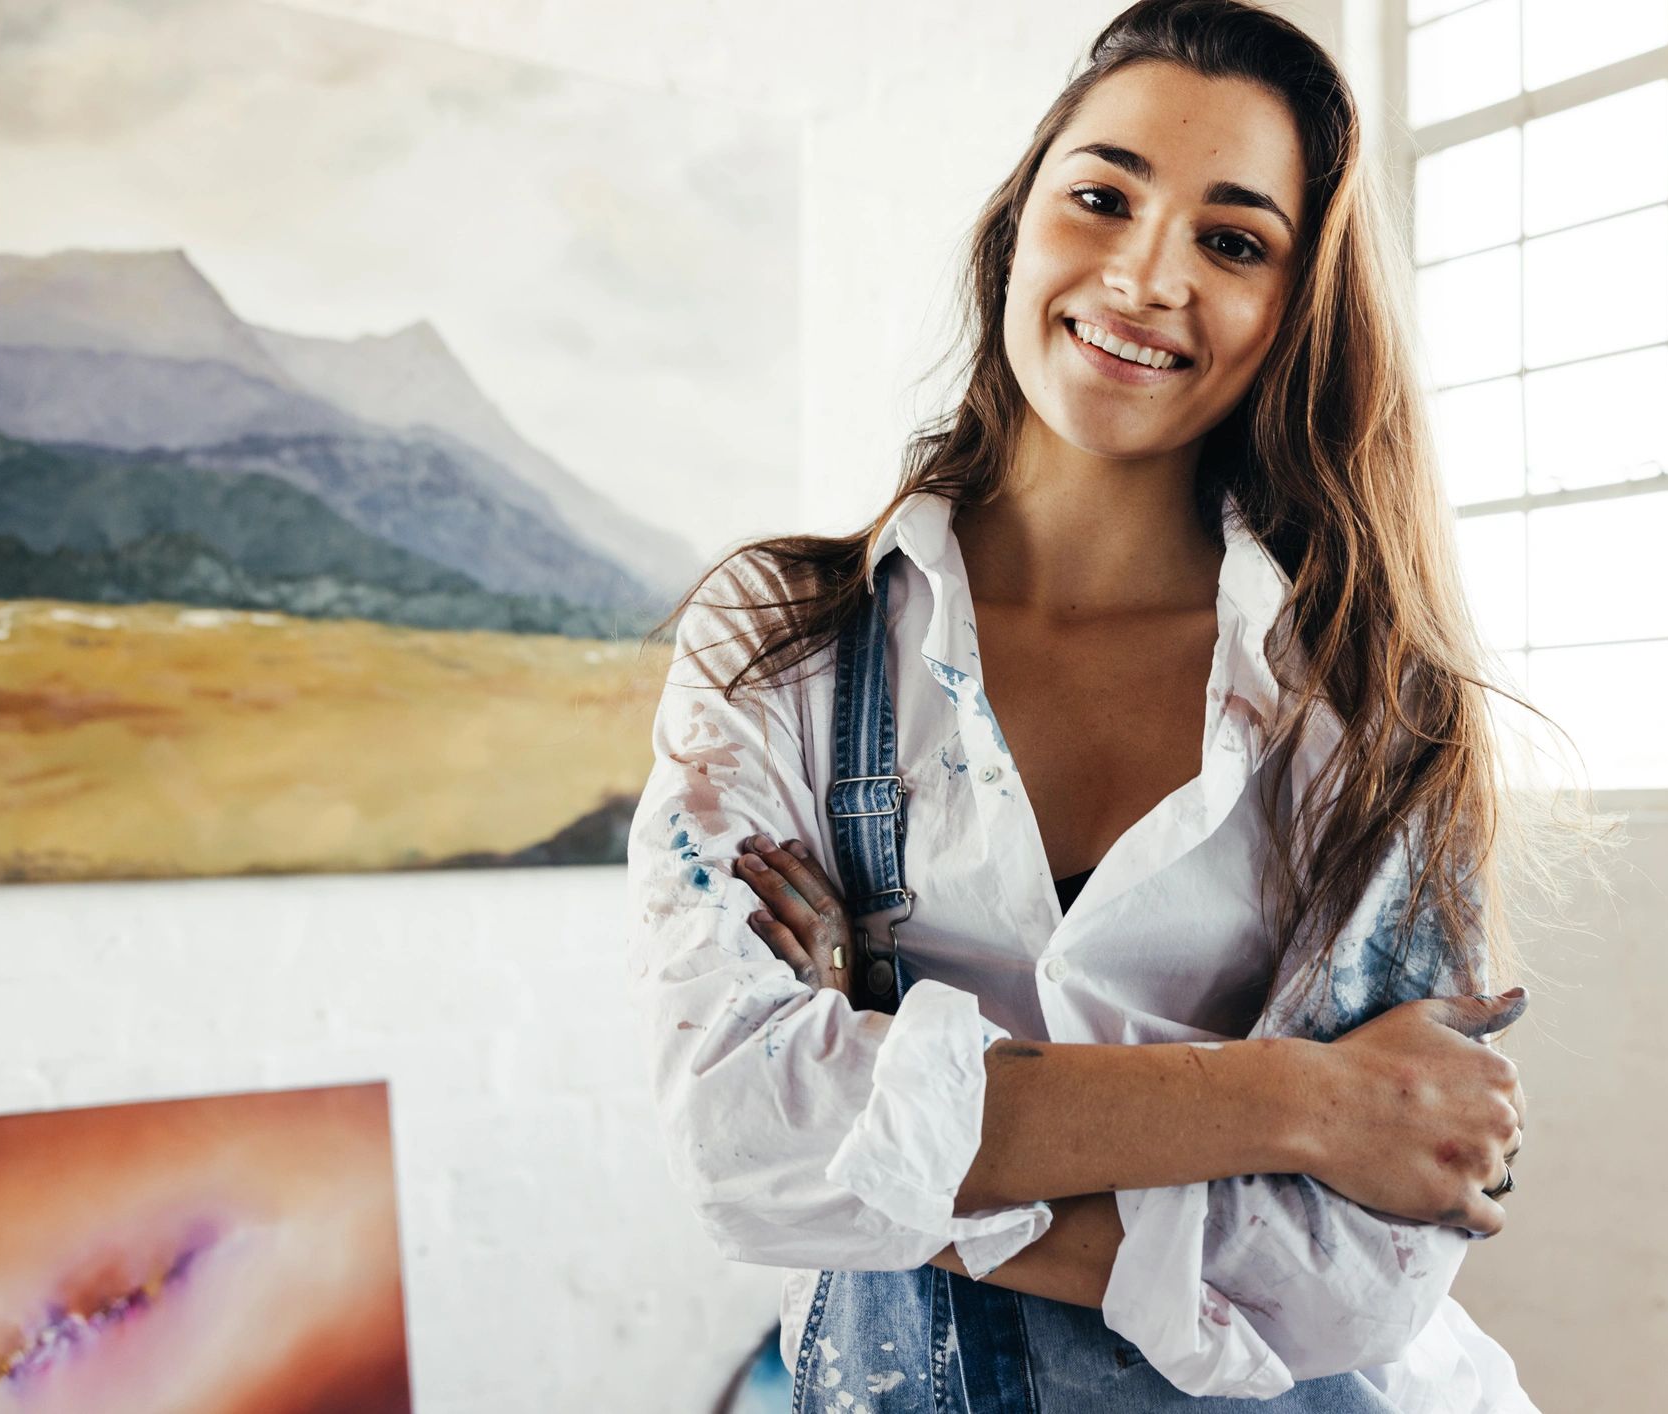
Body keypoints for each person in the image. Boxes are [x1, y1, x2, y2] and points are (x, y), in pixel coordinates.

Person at [627, 2, 1602, 1408]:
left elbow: (1356, 1276)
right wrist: (1302, 1102)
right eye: (1103, 197)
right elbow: (738, 1136)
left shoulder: (1371, 700)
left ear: (1293, 310)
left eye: (1233, 238)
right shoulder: (785, 643)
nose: (1147, 274)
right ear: (1018, 221)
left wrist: (892, 1093)